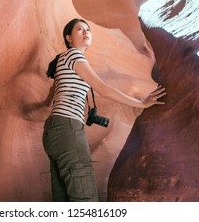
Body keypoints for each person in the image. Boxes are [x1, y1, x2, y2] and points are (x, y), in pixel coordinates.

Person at [43, 18, 166, 202]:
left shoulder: (62, 61)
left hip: (52, 131)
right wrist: (141, 102)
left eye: (88, 30)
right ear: (68, 38)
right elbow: (104, 89)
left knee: (62, 199)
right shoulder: (75, 56)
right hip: (68, 129)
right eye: (79, 29)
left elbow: (48, 102)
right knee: (85, 198)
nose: (86, 32)